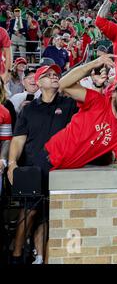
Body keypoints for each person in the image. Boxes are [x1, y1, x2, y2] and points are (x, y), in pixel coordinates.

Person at [7, 63, 78, 264]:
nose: (54, 77)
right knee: (28, 213)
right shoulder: (28, 110)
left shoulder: (69, 105)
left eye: (56, 74)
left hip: (59, 170)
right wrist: (12, 163)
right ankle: (17, 255)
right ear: (38, 83)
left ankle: (42, 257)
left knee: (48, 218)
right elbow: (18, 139)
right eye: (48, 75)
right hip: (32, 169)